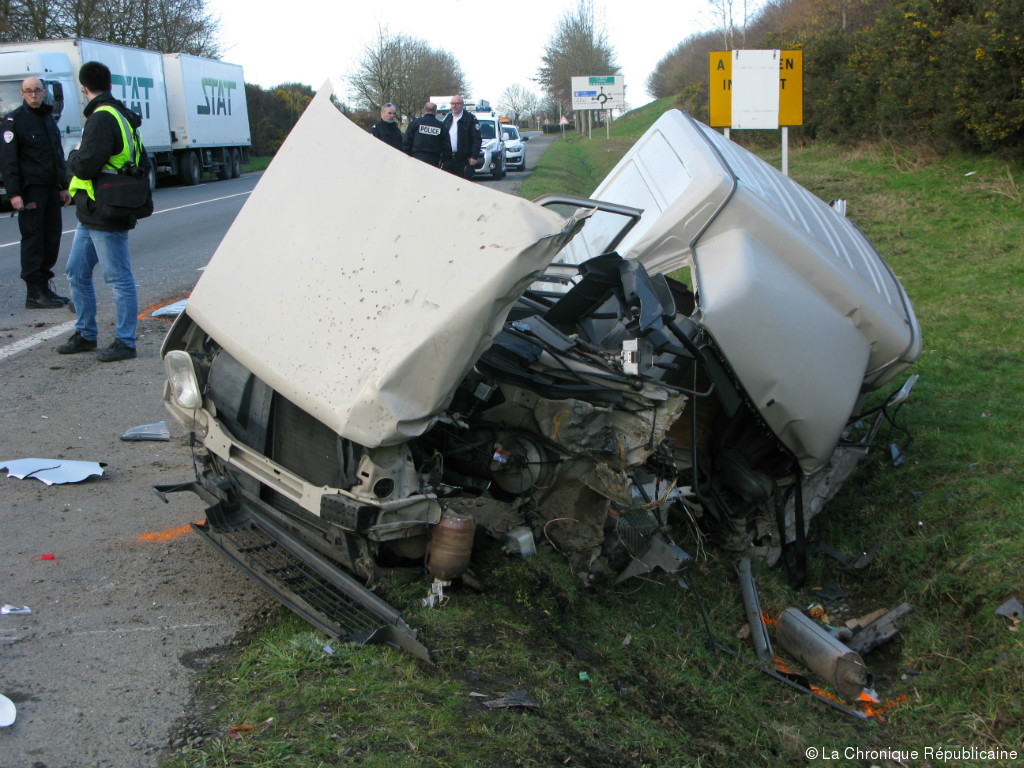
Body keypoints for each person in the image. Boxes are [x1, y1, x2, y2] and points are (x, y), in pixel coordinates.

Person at [56, 61, 142, 362]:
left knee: (118, 277)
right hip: (93, 209)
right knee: (76, 270)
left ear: (84, 88)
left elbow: (86, 165)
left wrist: (72, 154)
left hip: (105, 209)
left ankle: (125, 341)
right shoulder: (119, 114)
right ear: (109, 84)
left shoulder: (102, 117)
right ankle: (85, 334)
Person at [0, 76, 72, 309]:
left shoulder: (47, 118)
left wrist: (63, 186)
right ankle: (34, 293)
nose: (33, 95)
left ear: (43, 93)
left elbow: (57, 155)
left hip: (50, 189)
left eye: (37, 90)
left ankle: (45, 288)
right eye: (29, 91)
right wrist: (14, 193)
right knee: (34, 239)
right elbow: (9, 161)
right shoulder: (14, 122)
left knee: (51, 237)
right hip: (31, 191)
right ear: (22, 94)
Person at [440, 96, 481, 178]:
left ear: (462, 104)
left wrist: (474, 156)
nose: (454, 106)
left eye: (457, 103)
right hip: (448, 158)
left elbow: (476, 139)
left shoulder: (470, 119)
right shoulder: (447, 118)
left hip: (463, 159)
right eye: (452, 103)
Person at [402, 102, 447, 166]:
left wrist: (407, 156)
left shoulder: (415, 123)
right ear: (435, 112)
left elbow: (406, 141)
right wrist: (443, 160)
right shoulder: (441, 126)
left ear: (423, 110)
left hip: (416, 159)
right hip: (434, 160)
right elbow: (446, 146)